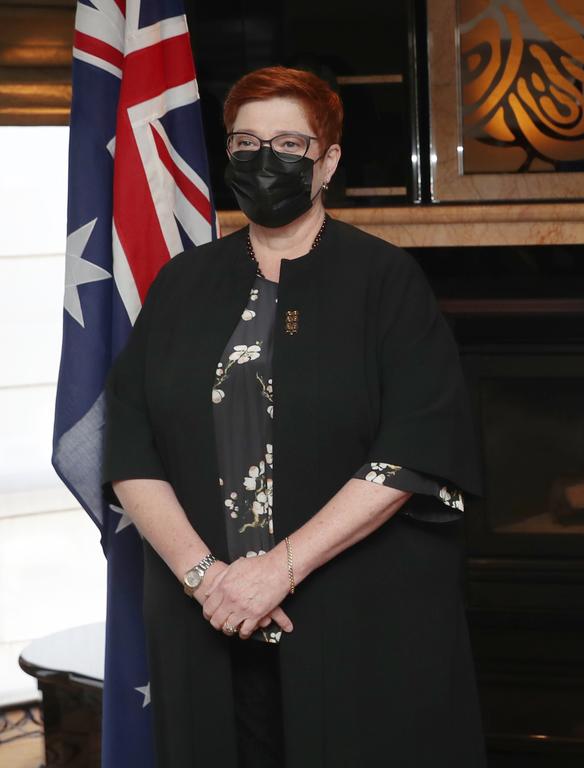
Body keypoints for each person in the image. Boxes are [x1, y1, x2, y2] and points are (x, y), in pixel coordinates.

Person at [104, 66, 486, 767]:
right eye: (245, 144)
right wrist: (207, 580)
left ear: (328, 161)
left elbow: (415, 446)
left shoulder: (384, 280)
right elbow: (129, 443)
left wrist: (275, 571)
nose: (264, 161)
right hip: (208, 622)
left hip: (355, 622)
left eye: (288, 144)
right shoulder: (181, 284)